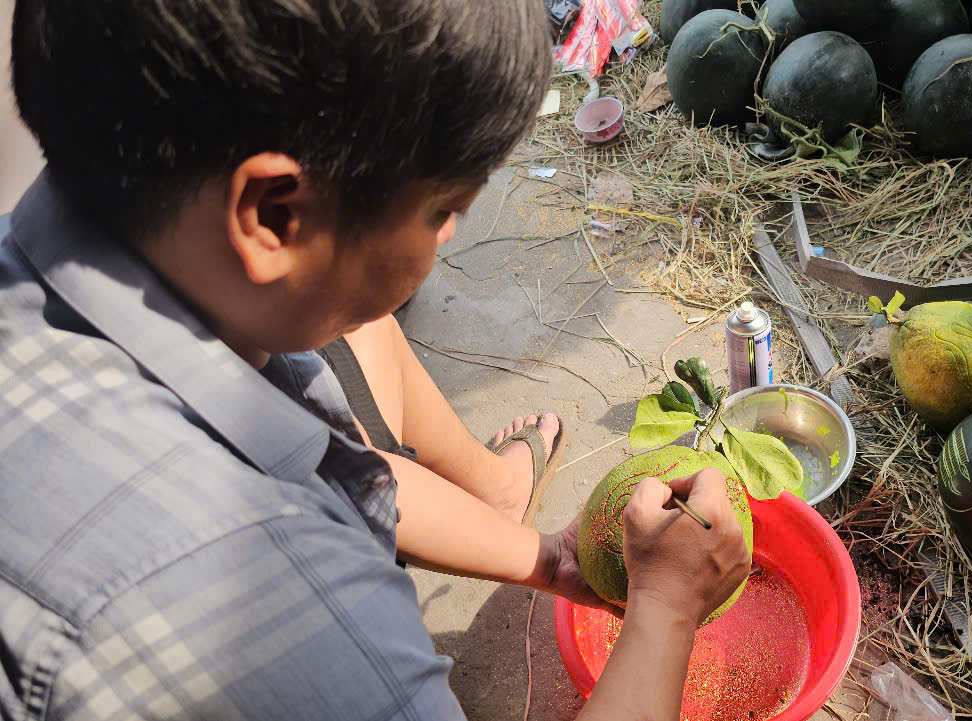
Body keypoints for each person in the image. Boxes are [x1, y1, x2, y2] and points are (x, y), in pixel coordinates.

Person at [0, 1, 751, 720]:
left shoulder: (131, 268)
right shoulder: (293, 611)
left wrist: (553, 561)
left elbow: (332, 463)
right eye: (442, 210)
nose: (451, 235)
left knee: (346, 326)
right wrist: (666, 606)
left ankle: (498, 489)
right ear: (273, 215)